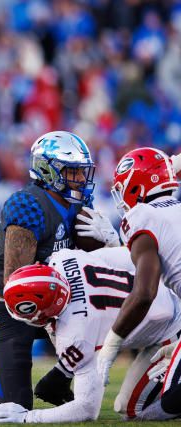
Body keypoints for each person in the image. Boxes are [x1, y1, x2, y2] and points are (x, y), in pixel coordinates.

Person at [0, 131, 119, 419]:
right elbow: (17, 283)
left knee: (98, 312)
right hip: (7, 308)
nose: (80, 180)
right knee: (15, 409)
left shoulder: (80, 205)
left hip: (51, 301)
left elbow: (90, 270)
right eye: (72, 172)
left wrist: (109, 244)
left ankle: (57, 381)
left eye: (82, 172)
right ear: (47, 170)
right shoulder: (28, 204)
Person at [0, 247, 181, 422]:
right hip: (168, 289)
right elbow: (132, 257)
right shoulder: (64, 258)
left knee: (129, 410)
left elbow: (87, 409)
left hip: (171, 327)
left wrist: (29, 417)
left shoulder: (75, 334)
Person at [97, 147, 181, 418]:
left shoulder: (142, 216)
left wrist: (110, 346)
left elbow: (144, 293)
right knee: (131, 407)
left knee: (161, 408)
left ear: (134, 187)